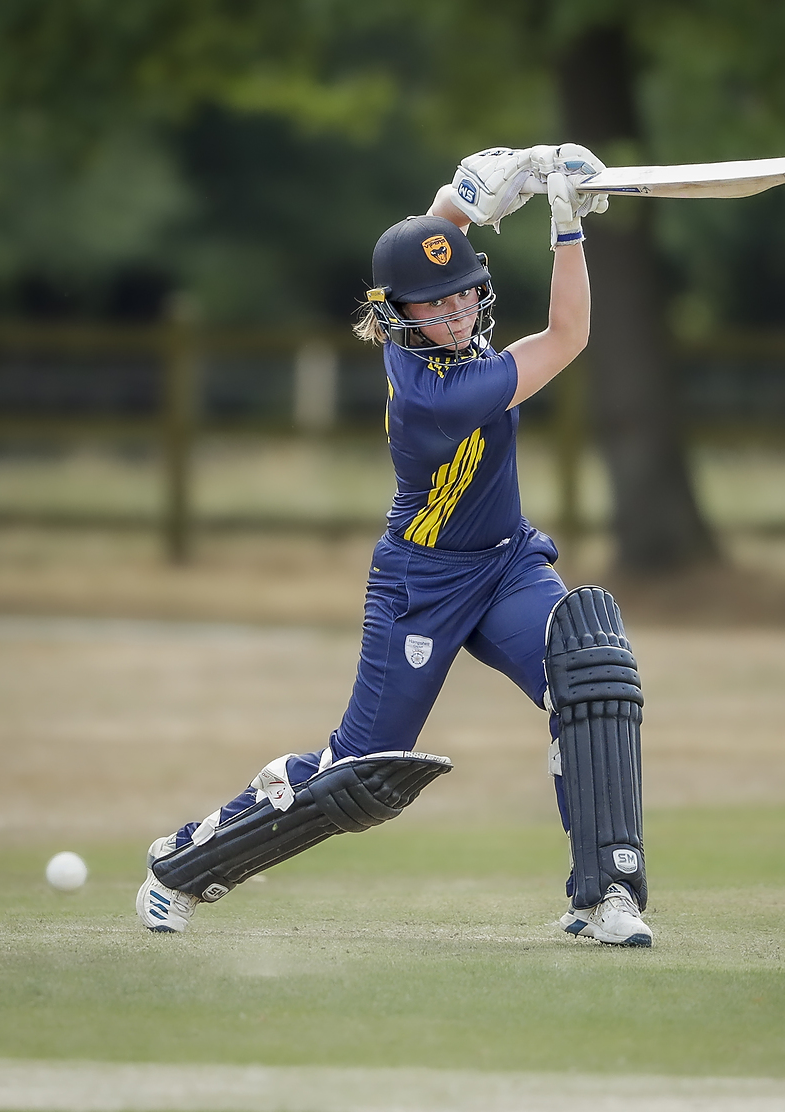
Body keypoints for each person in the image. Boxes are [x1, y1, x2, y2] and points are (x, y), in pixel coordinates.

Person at [136, 145, 652, 946]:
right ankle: (183, 864)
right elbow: (567, 335)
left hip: (508, 562)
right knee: (361, 773)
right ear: (394, 319)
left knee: (590, 670)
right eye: (432, 309)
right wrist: (565, 227)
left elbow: (422, 247)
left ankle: (607, 896)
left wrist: (468, 199)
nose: (452, 317)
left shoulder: (420, 326)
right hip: (423, 582)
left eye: (463, 297)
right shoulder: (438, 396)